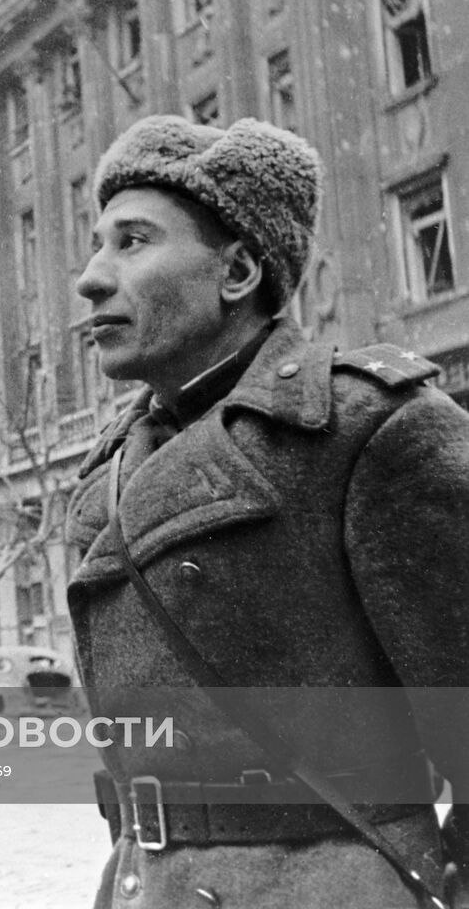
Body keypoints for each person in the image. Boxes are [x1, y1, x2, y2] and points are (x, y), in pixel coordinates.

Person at [65, 113, 469, 908]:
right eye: (96, 243)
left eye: (133, 241)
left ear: (239, 272)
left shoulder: (368, 428)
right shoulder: (111, 469)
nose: (91, 277)